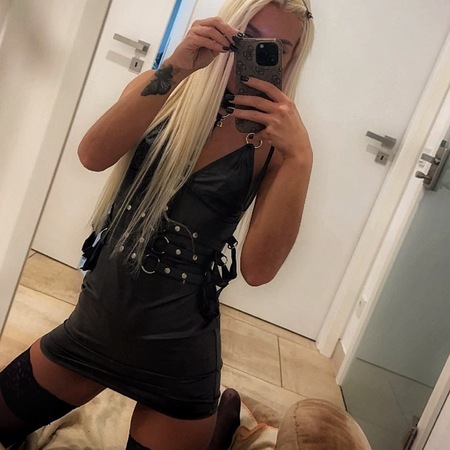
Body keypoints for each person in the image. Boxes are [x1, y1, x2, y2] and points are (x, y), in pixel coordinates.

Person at [0, 0, 314, 448]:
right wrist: (176, 68)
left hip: (179, 357)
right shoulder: (165, 89)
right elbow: (92, 155)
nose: (256, 52)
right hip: (92, 329)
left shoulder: (277, 147)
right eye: (248, 35)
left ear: (292, 59)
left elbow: (258, 270)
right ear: (226, 31)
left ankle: (221, 421)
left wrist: (300, 159)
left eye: (277, 48)